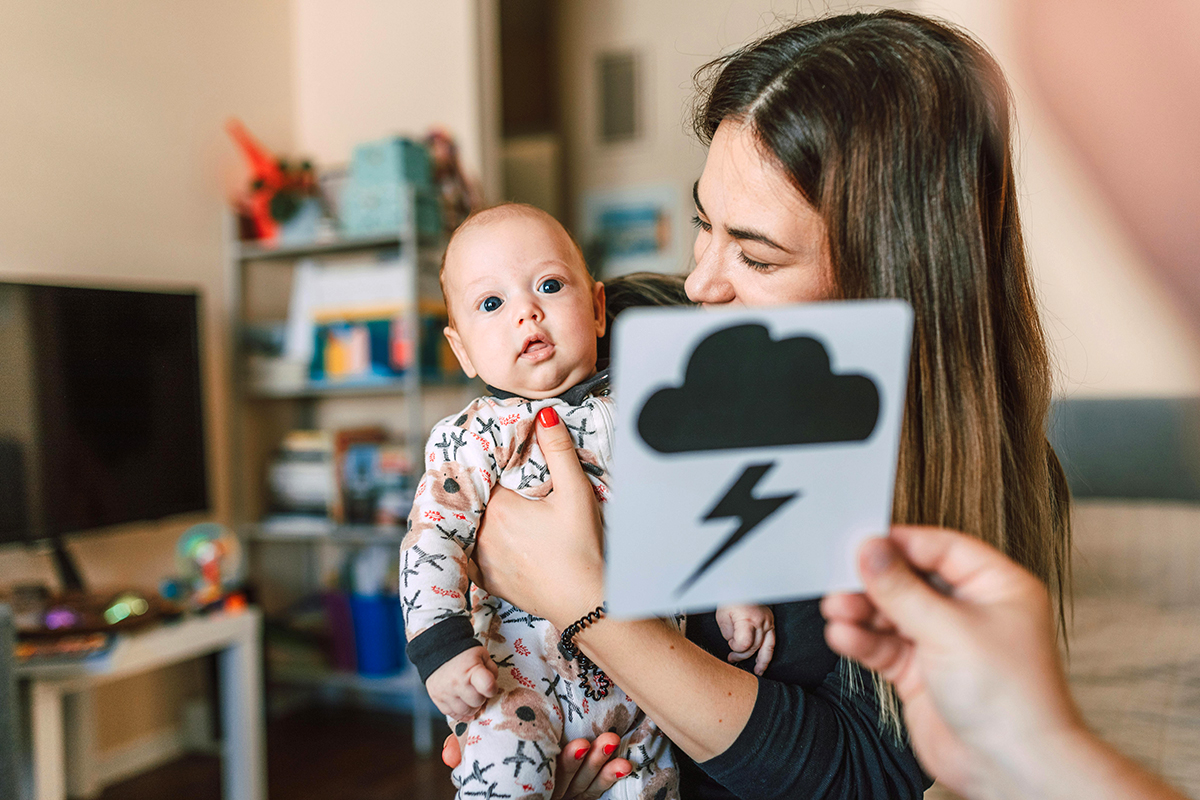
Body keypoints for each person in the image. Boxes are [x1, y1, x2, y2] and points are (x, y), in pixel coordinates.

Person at [446, 10, 1072, 799]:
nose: (701, 281)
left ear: (893, 277)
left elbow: (865, 775)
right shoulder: (635, 337)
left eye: (755, 253)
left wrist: (586, 607)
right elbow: (472, 521)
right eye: (705, 223)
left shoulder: (981, 491)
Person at [403, 203, 773, 799]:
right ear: (463, 350)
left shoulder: (646, 411)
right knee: (504, 773)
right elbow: (431, 541)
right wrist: (440, 646)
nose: (527, 309)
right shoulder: (467, 439)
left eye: (549, 285)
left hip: (643, 701)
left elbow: (690, 498)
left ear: (597, 310)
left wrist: (729, 582)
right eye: (491, 304)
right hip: (513, 692)